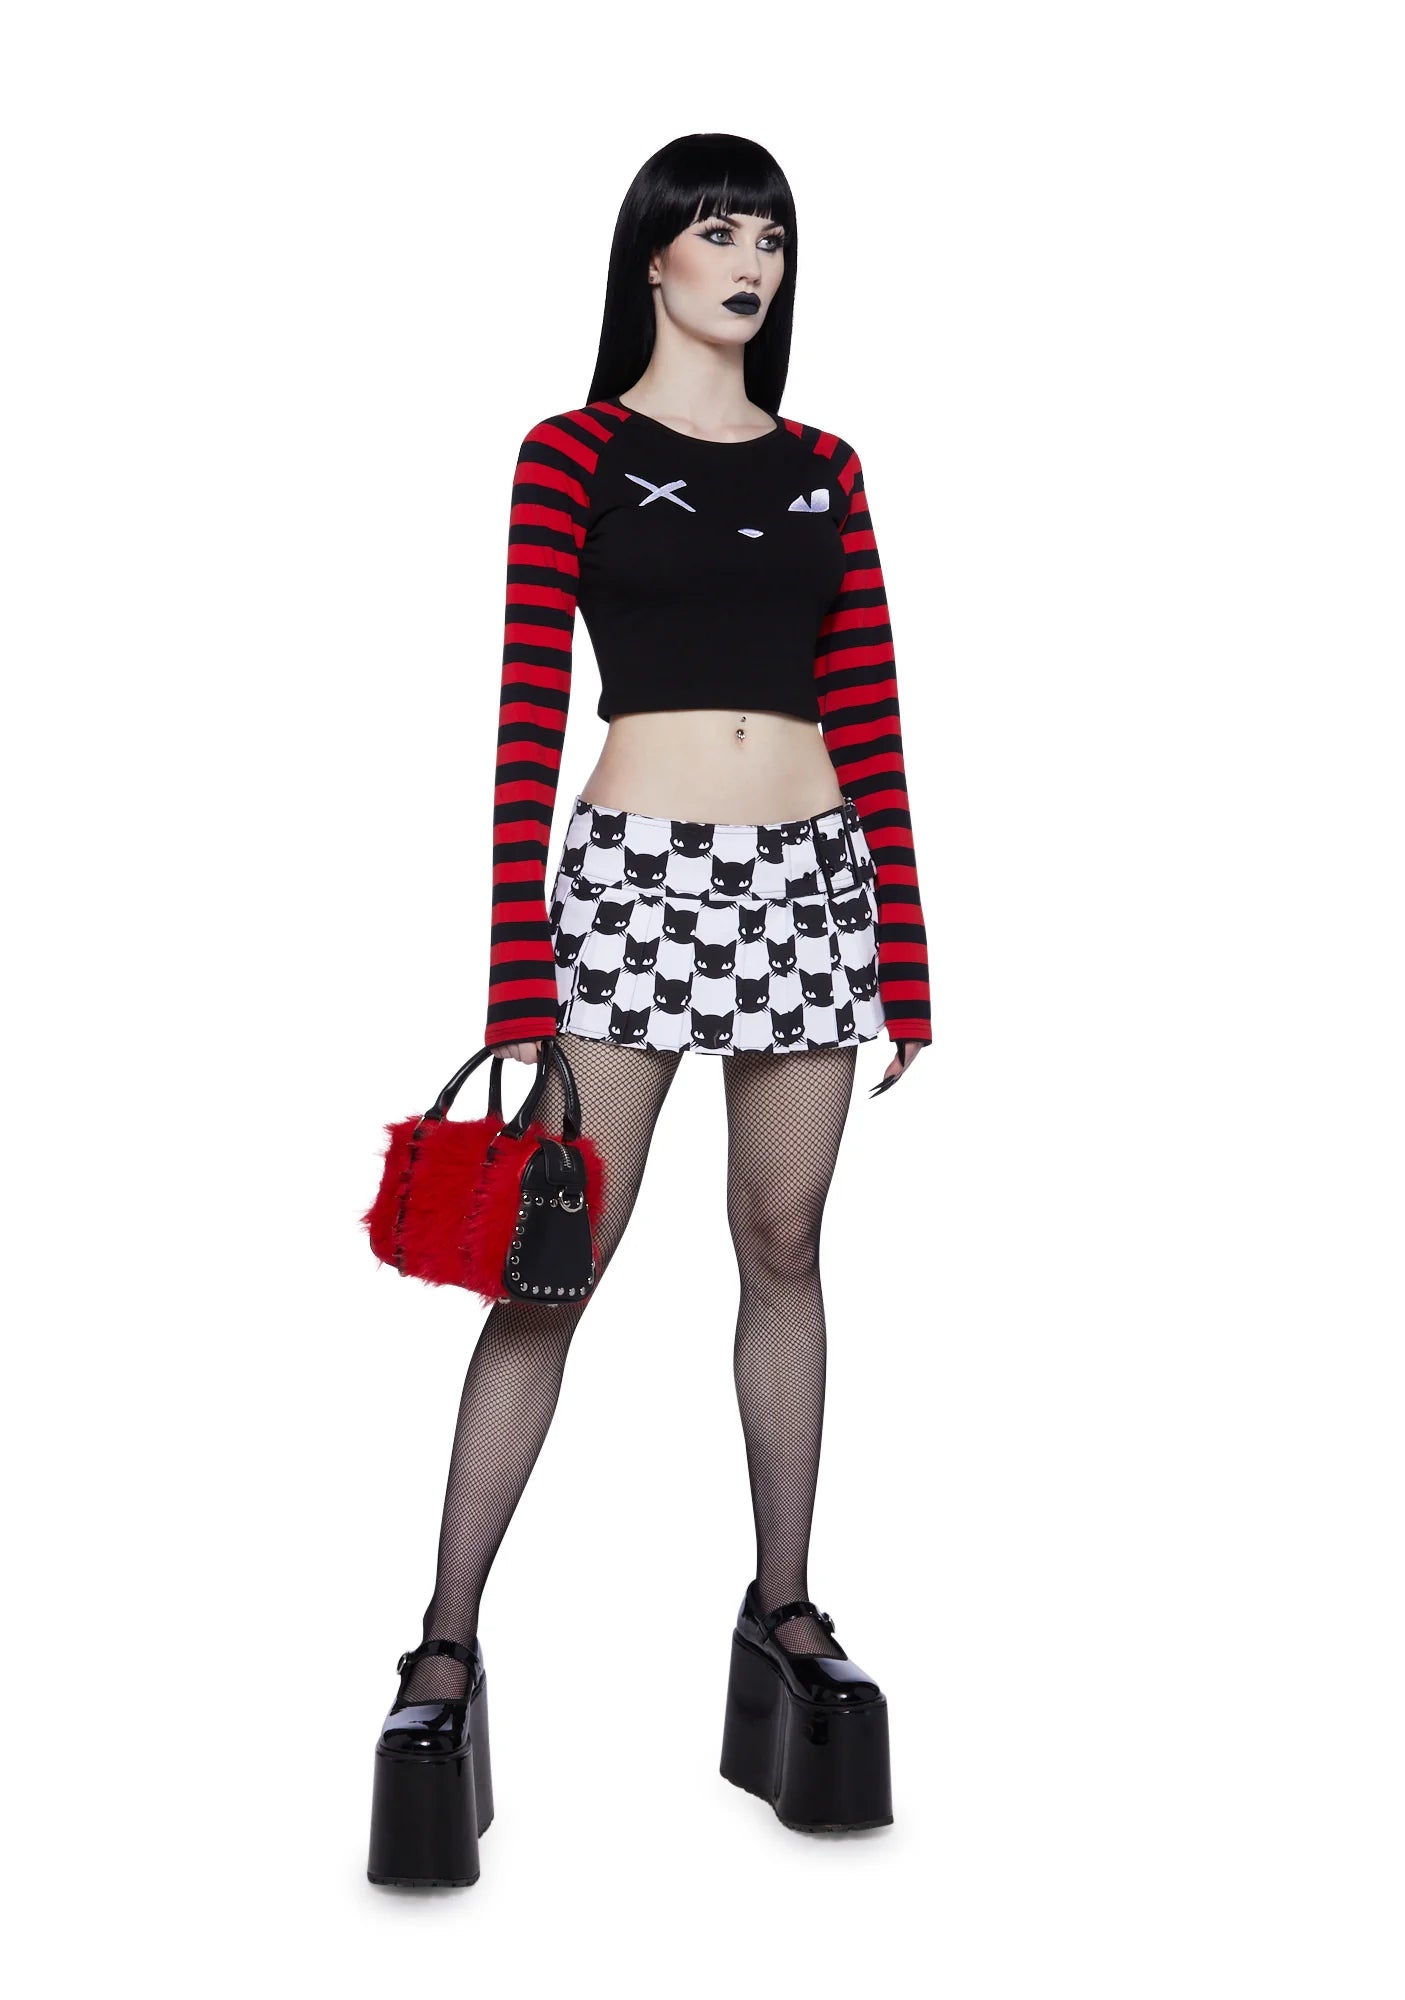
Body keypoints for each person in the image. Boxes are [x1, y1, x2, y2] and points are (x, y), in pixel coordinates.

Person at [368, 132, 931, 1888]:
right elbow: (526, 711)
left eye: (771, 234)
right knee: (554, 1264)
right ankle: (441, 1651)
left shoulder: (828, 467)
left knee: (784, 1245)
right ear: (653, 262)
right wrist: (514, 973)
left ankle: (785, 1612)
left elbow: (871, 708)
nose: (748, 259)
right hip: (632, 885)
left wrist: (904, 957)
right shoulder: (571, 454)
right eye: (717, 230)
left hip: (807, 887)